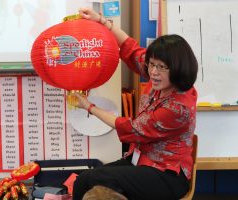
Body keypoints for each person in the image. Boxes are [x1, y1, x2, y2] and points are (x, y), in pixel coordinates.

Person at [72, 7, 198, 200]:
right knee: (83, 180)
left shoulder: (177, 107)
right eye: (151, 64)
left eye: (161, 67)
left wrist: (89, 107)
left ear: (178, 69)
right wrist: (100, 20)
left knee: (94, 180)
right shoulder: (159, 77)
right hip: (141, 161)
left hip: (166, 174)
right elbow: (131, 48)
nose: (153, 72)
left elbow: (132, 128)